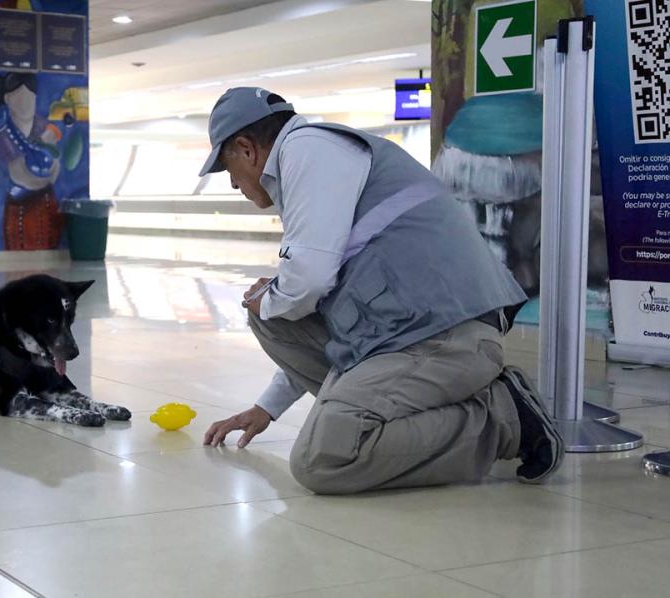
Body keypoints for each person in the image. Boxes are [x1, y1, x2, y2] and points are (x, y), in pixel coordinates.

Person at [200, 87, 564, 494]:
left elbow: (309, 280)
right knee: (270, 314)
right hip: (402, 336)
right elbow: (307, 298)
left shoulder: (305, 149)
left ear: (246, 148)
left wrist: (267, 296)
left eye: (227, 167)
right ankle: (359, 411)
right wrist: (267, 407)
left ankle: (504, 417)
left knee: (323, 459)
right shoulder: (315, 159)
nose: (233, 183)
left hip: (446, 337)